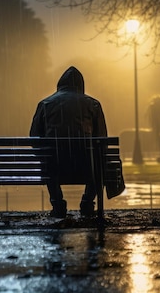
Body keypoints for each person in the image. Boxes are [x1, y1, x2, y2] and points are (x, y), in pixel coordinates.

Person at [30, 66, 108, 218]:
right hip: (86, 166)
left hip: (55, 166)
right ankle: (87, 203)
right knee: (99, 162)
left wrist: (44, 157)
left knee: (49, 161)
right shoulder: (93, 104)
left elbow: (34, 137)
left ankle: (57, 203)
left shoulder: (45, 104)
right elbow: (102, 139)